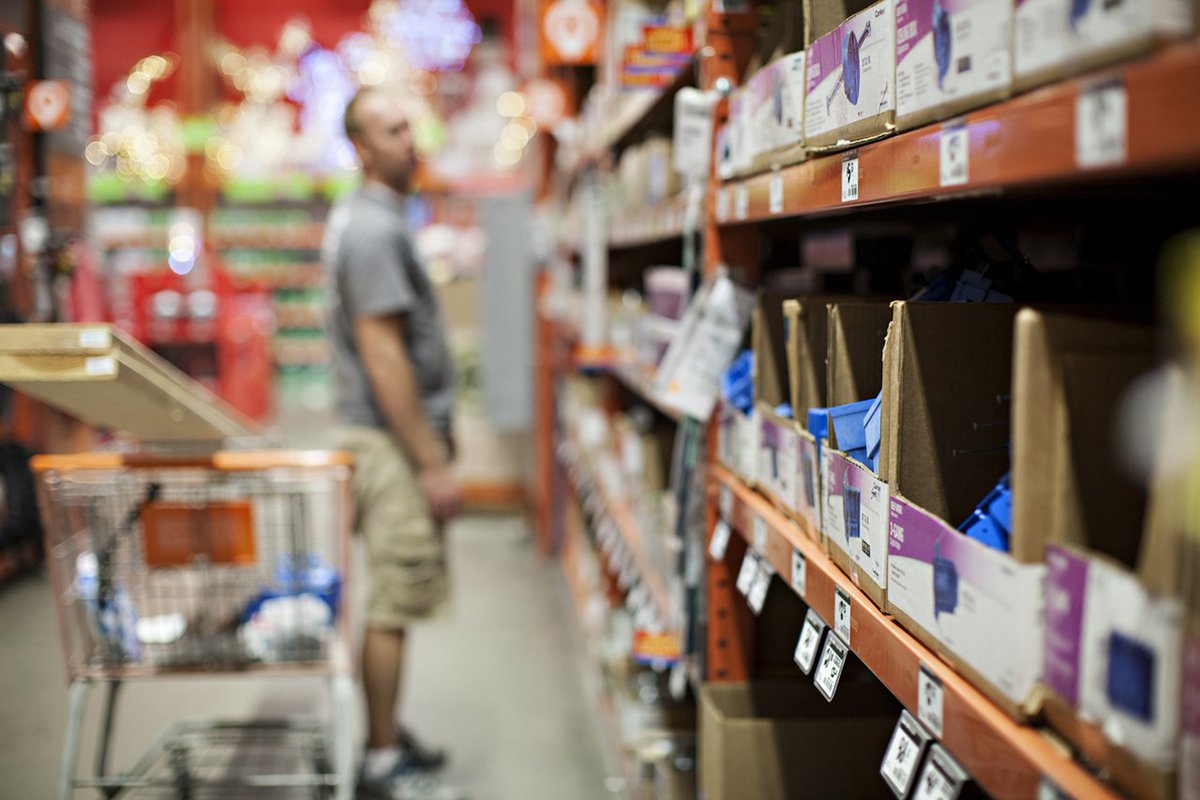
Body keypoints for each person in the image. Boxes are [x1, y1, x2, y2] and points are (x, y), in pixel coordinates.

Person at [324, 86, 464, 800]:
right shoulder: (374, 232)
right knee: (393, 600)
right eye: (390, 130)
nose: (409, 141)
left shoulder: (373, 218)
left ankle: (385, 733)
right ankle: (380, 761)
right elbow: (383, 356)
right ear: (360, 148)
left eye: (410, 126)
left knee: (392, 599)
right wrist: (430, 462)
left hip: (385, 436)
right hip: (389, 442)